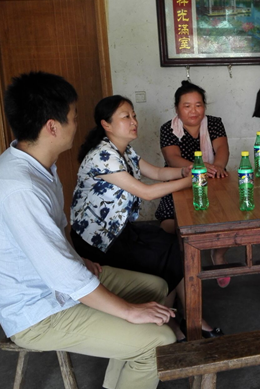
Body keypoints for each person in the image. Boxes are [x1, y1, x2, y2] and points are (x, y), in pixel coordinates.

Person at [0, 72, 176, 389]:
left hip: (55, 284)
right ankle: (136, 373)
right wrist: (128, 311)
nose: (78, 124)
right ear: (52, 127)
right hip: (38, 310)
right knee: (160, 340)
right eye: (74, 117)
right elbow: (63, 275)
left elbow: (55, 237)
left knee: (155, 286)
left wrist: (79, 259)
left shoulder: (39, 167)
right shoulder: (19, 189)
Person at [70, 95, 223, 345]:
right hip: (98, 242)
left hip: (119, 231)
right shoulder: (102, 155)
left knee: (175, 245)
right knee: (167, 254)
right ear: (106, 124)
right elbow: (147, 192)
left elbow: (158, 172)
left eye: (134, 115)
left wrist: (185, 170)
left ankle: (184, 318)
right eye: (126, 117)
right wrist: (193, 179)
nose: (134, 121)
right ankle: (178, 321)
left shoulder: (125, 151)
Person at [155, 80, 232, 287]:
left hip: (212, 181)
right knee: (173, 226)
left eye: (198, 105)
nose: (194, 111)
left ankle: (218, 255)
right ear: (177, 108)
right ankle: (189, 262)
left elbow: (222, 148)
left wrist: (217, 166)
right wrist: (199, 167)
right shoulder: (168, 129)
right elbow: (172, 158)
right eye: (187, 106)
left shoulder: (214, 123)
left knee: (229, 219)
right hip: (179, 183)